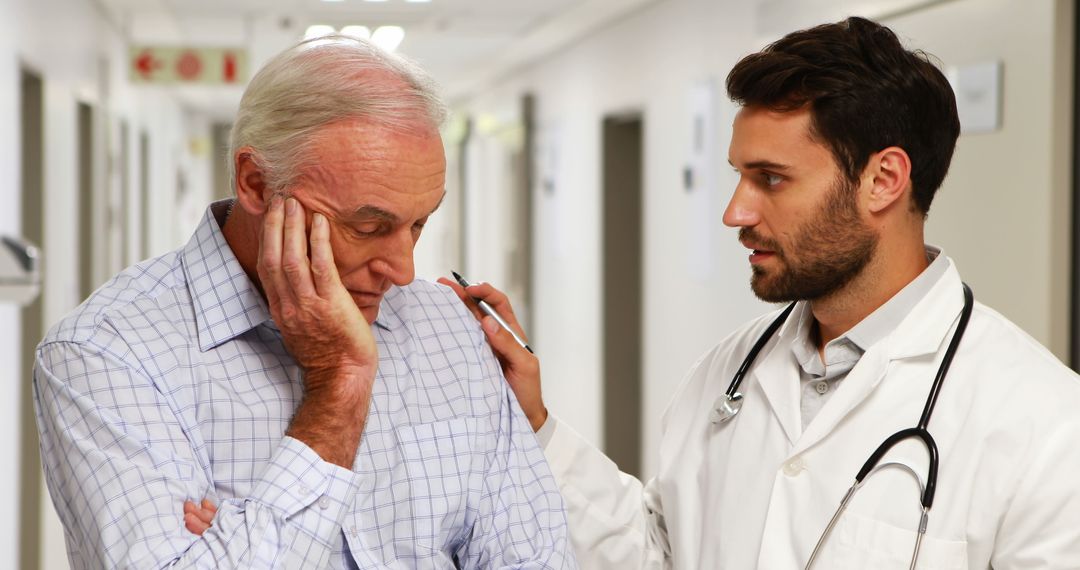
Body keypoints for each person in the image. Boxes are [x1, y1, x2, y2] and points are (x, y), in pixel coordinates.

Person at [441, 16, 1080, 569]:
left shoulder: (1043, 423)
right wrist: (538, 426)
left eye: (770, 179)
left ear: (883, 179)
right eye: (739, 175)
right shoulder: (725, 375)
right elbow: (658, 554)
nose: (734, 212)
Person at [33, 36, 575, 569]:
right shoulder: (105, 353)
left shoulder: (450, 328)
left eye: (419, 224)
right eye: (368, 225)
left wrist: (245, 538)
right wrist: (339, 386)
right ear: (256, 182)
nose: (404, 270)